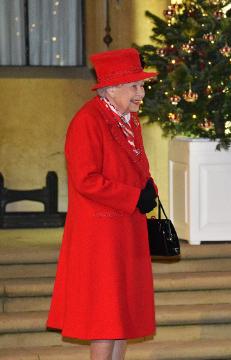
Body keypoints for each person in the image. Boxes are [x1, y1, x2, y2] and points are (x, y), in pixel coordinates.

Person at [47, 48, 159, 360]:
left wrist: (149, 188)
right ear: (112, 89)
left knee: (123, 312)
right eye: (135, 86)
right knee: (105, 314)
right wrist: (134, 197)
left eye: (142, 86)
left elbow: (136, 167)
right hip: (101, 232)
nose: (142, 93)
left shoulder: (127, 120)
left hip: (127, 226)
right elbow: (86, 179)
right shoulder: (87, 121)